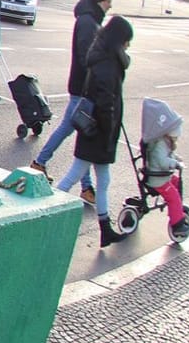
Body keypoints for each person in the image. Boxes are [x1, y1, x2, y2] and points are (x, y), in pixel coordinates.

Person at [52, 16, 134, 246]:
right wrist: (109, 133)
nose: (128, 45)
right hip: (98, 131)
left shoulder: (102, 55)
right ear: (120, 40)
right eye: (127, 41)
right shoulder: (109, 64)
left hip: (94, 128)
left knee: (103, 180)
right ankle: (47, 214)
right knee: (73, 175)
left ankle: (105, 228)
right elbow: (107, 102)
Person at [33, 0, 115, 202]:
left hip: (82, 87)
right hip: (83, 88)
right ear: (101, 0)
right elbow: (87, 56)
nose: (110, 5)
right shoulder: (89, 22)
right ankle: (40, 162)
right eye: (109, 1)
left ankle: (84, 186)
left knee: (78, 132)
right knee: (73, 130)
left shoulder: (90, 19)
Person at [140, 98, 189, 242]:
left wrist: (177, 159)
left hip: (161, 176)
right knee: (173, 196)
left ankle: (176, 210)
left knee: (176, 182)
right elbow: (163, 161)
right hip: (157, 179)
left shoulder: (164, 142)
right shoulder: (159, 145)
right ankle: (176, 223)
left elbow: (168, 156)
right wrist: (174, 163)